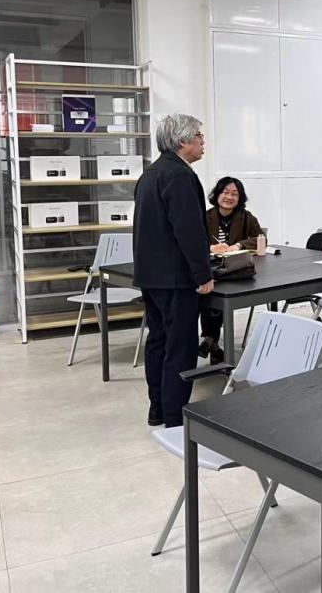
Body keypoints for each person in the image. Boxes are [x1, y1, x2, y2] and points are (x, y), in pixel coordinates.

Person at [133, 114, 213, 428]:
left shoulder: (150, 174)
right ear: (182, 141)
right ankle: (174, 416)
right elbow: (189, 231)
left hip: (151, 276)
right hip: (176, 279)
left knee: (159, 342)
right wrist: (203, 275)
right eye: (199, 136)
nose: (203, 142)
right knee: (180, 347)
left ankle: (157, 408)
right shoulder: (180, 176)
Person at [199, 176, 265, 363]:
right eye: (225, 192)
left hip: (237, 271)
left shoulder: (246, 217)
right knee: (211, 296)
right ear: (217, 194)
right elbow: (194, 241)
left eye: (235, 194)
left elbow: (261, 238)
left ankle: (210, 342)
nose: (229, 197)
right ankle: (212, 342)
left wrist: (238, 245)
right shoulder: (205, 217)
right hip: (212, 269)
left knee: (215, 296)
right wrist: (211, 247)